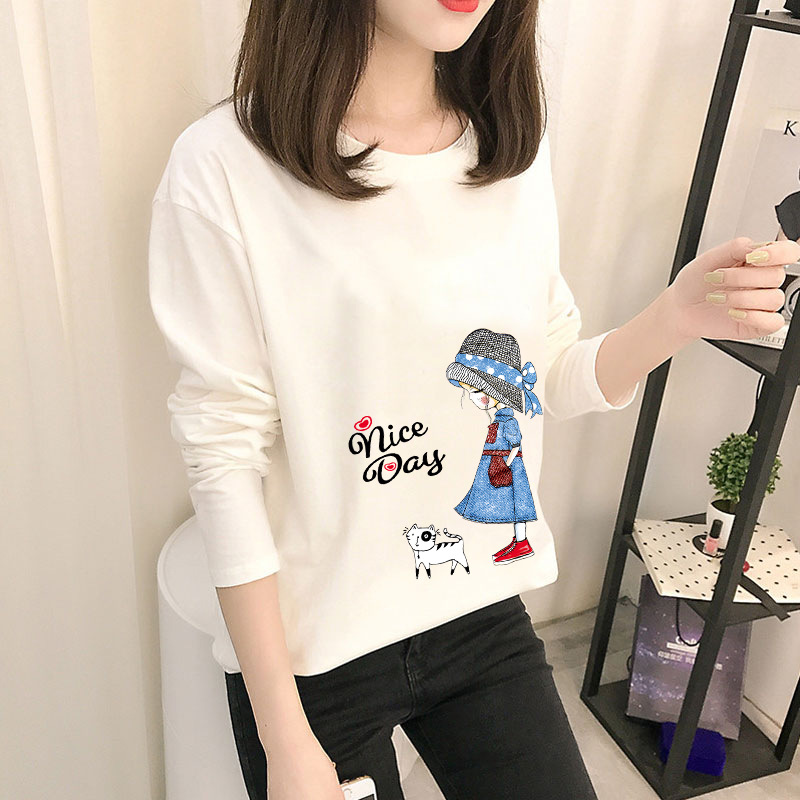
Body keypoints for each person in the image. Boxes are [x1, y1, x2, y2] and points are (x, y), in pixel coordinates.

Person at [147, 1, 800, 798]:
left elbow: (542, 375)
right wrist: (284, 739)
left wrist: (676, 317)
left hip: (475, 613)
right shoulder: (224, 166)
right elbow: (223, 450)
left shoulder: (507, 150)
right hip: (311, 648)